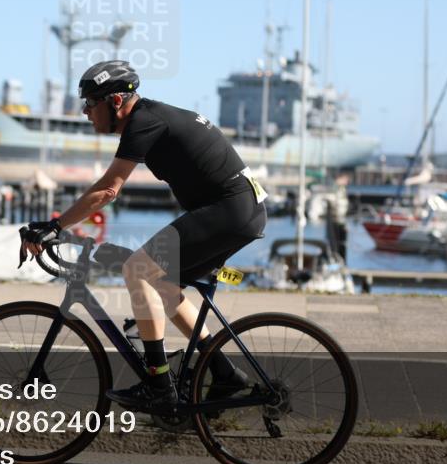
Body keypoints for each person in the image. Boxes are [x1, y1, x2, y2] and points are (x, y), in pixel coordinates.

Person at [20, 60, 268, 414]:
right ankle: (223, 372)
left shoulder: (144, 122)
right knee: (163, 285)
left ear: (116, 101)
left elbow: (108, 189)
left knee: (138, 270)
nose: (87, 114)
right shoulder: (150, 117)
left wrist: (56, 226)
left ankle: (159, 386)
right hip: (240, 209)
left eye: (91, 105)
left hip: (230, 209)